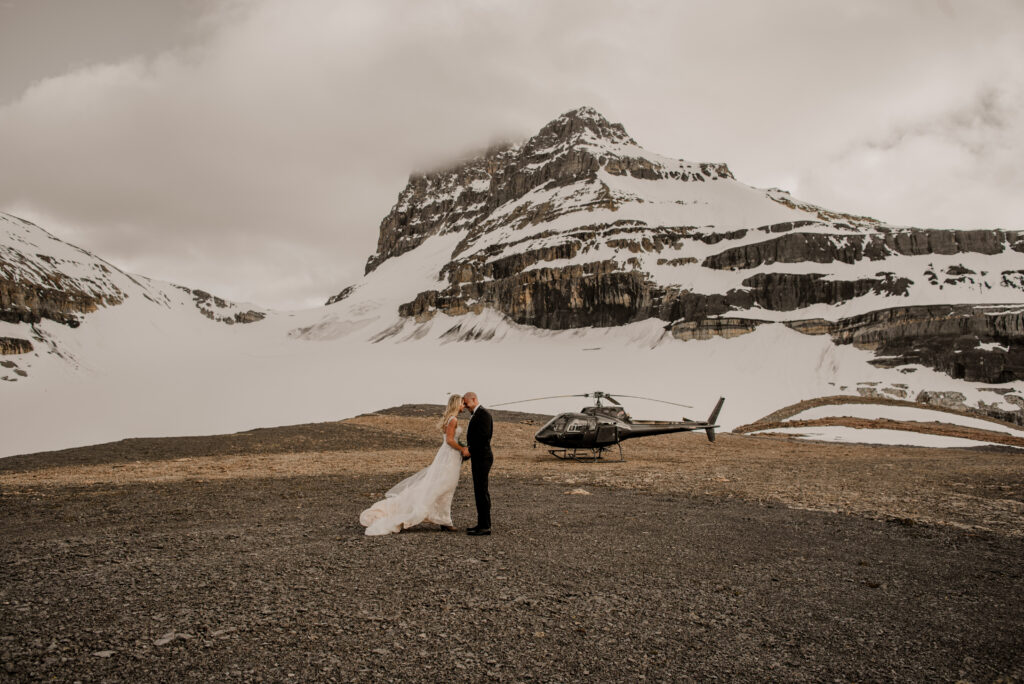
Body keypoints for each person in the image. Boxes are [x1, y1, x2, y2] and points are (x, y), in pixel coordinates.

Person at [359, 394, 470, 536]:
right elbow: (449, 440)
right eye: (462, 403)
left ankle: (443, 519)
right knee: (443, 487)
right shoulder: (453, 419)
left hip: (447, 455)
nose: (464, 406)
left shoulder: (449, 418)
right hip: (449, 456)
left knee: (442, 486)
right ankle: (443, 520)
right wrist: (463, 449)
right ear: (456, 404)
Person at [462, 391, 493, 536]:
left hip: (483, 457)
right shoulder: (477, 414)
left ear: (473, 399)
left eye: (466, 404)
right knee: (479, 491)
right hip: (478, 457)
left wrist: (470, 450)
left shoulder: (484, 415)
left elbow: (484, 438)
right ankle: (481, 523)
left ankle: (485, 526)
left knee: (481, 491)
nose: (466, 407)